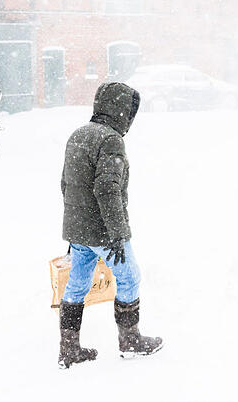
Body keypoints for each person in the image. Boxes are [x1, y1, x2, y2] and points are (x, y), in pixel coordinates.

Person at [57, 82, 163, 369]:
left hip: (78, 227)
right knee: (130, 277)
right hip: (103, 229)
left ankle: (69, 349)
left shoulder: (78, 134)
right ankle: (130, 340)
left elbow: (66, 184)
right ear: (120, 110)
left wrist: (74, 230)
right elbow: (107, 188)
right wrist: (117, 234)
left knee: (77, 285)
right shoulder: (111, 140)